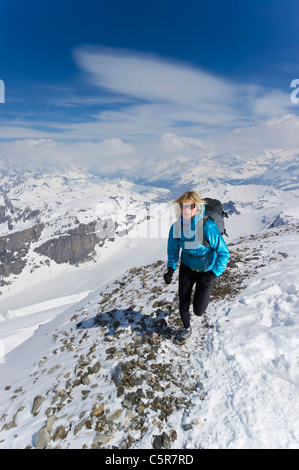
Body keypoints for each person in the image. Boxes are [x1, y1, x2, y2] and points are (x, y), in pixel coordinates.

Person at [164, 190, 230, 344]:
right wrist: (171, 269)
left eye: (190, 206)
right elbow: (173, 250)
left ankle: (200, 308)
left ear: (197, 207)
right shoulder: (176, 227)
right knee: (183, 304)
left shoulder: (207, 227)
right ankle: (187, 328)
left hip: (206, 272)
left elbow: (223, 253)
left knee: (198, 311)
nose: (186, 210)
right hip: (186, 268)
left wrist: (213, 274)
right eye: (183, 206)